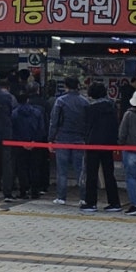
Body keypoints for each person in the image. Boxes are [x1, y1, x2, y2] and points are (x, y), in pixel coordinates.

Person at [82, 83, 122, 212]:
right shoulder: (112, 107)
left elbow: (86, 127)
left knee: (91, 173)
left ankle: (91, 202)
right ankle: (114, 202)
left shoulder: (90, 109)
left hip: (93, 143)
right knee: (109, 173)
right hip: (108, 143)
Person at [48, 76, 89, 205]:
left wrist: (51, 139)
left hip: (62, 138)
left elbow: (54, 122)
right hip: (79, 139)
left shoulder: (60, 101)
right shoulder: (85, 102)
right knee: (80, 170)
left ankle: (61, 197)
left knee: (62, 170)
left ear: (65, 86)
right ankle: (83, 197)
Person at [11, 93, 45, 199]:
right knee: (35, 167)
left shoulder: (14, 113)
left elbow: (13, 131)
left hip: (20, 144)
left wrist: (21, 142)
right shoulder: (38, 112)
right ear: (28, 100)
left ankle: (23, 191)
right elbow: (41, 129)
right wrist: (35, 141)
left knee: (22, 168)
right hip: (35, 144)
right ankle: (35, 191)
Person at [0, 79, 18, 201]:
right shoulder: (7, 96)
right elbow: (10, 113)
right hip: (5, 134)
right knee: (6, 164)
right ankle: (7, 192)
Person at [28, 80, 52, 194]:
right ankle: (42, 185)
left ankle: (29, 185)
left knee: (27, 163)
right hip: (42, 137)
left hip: (25, 138)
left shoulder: (25, 102)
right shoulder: (44, 103)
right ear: (38, 90)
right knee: (42, 162)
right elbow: (49, 120)